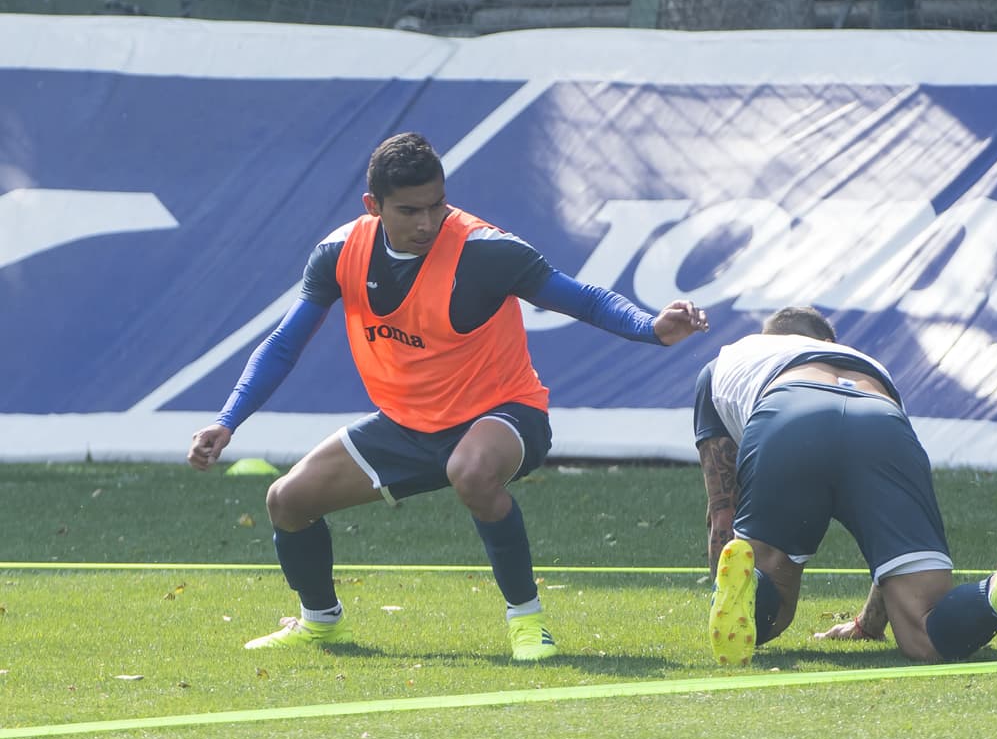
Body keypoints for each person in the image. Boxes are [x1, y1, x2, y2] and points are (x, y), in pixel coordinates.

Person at [188, 131, 708, 661]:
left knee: (472, 471)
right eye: (409, 210)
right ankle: (321, 623)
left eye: (437, 205)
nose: (427, 222)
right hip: (406, 424)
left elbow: (583, 298)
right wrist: (228, 421)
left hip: (505, 413)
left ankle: (528, 623)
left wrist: (652, 327)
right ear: (374, 207)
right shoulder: (339, 254)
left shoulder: (487, 251)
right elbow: (283, 345)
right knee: (286, 501)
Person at [693, 305, 997, 669]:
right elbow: (886, 544)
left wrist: (719, 596)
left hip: (788, 413)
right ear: (828, 343)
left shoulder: (729, 360)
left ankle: (750, 584)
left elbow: (722, 510)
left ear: (766, 337)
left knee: (771, 605)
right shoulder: (862, 362)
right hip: (879, 419)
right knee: (925, 636)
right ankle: (995, 593)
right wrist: (867, 625)